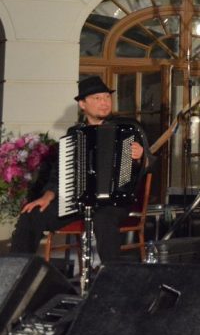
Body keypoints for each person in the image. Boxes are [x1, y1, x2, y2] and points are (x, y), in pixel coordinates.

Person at [10, 76, 152, 264]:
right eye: (97, 98)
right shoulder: (74, 134)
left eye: (107, 97)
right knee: (32, 215)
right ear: (82, 104)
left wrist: (141, 156)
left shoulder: (129, 128)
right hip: (78, 201)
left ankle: (113, 276)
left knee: (103, 219)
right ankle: (16, 271)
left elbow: (151, 164)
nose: (104, 102)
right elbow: (59, 173)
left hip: (115, 201)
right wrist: (48, 196)